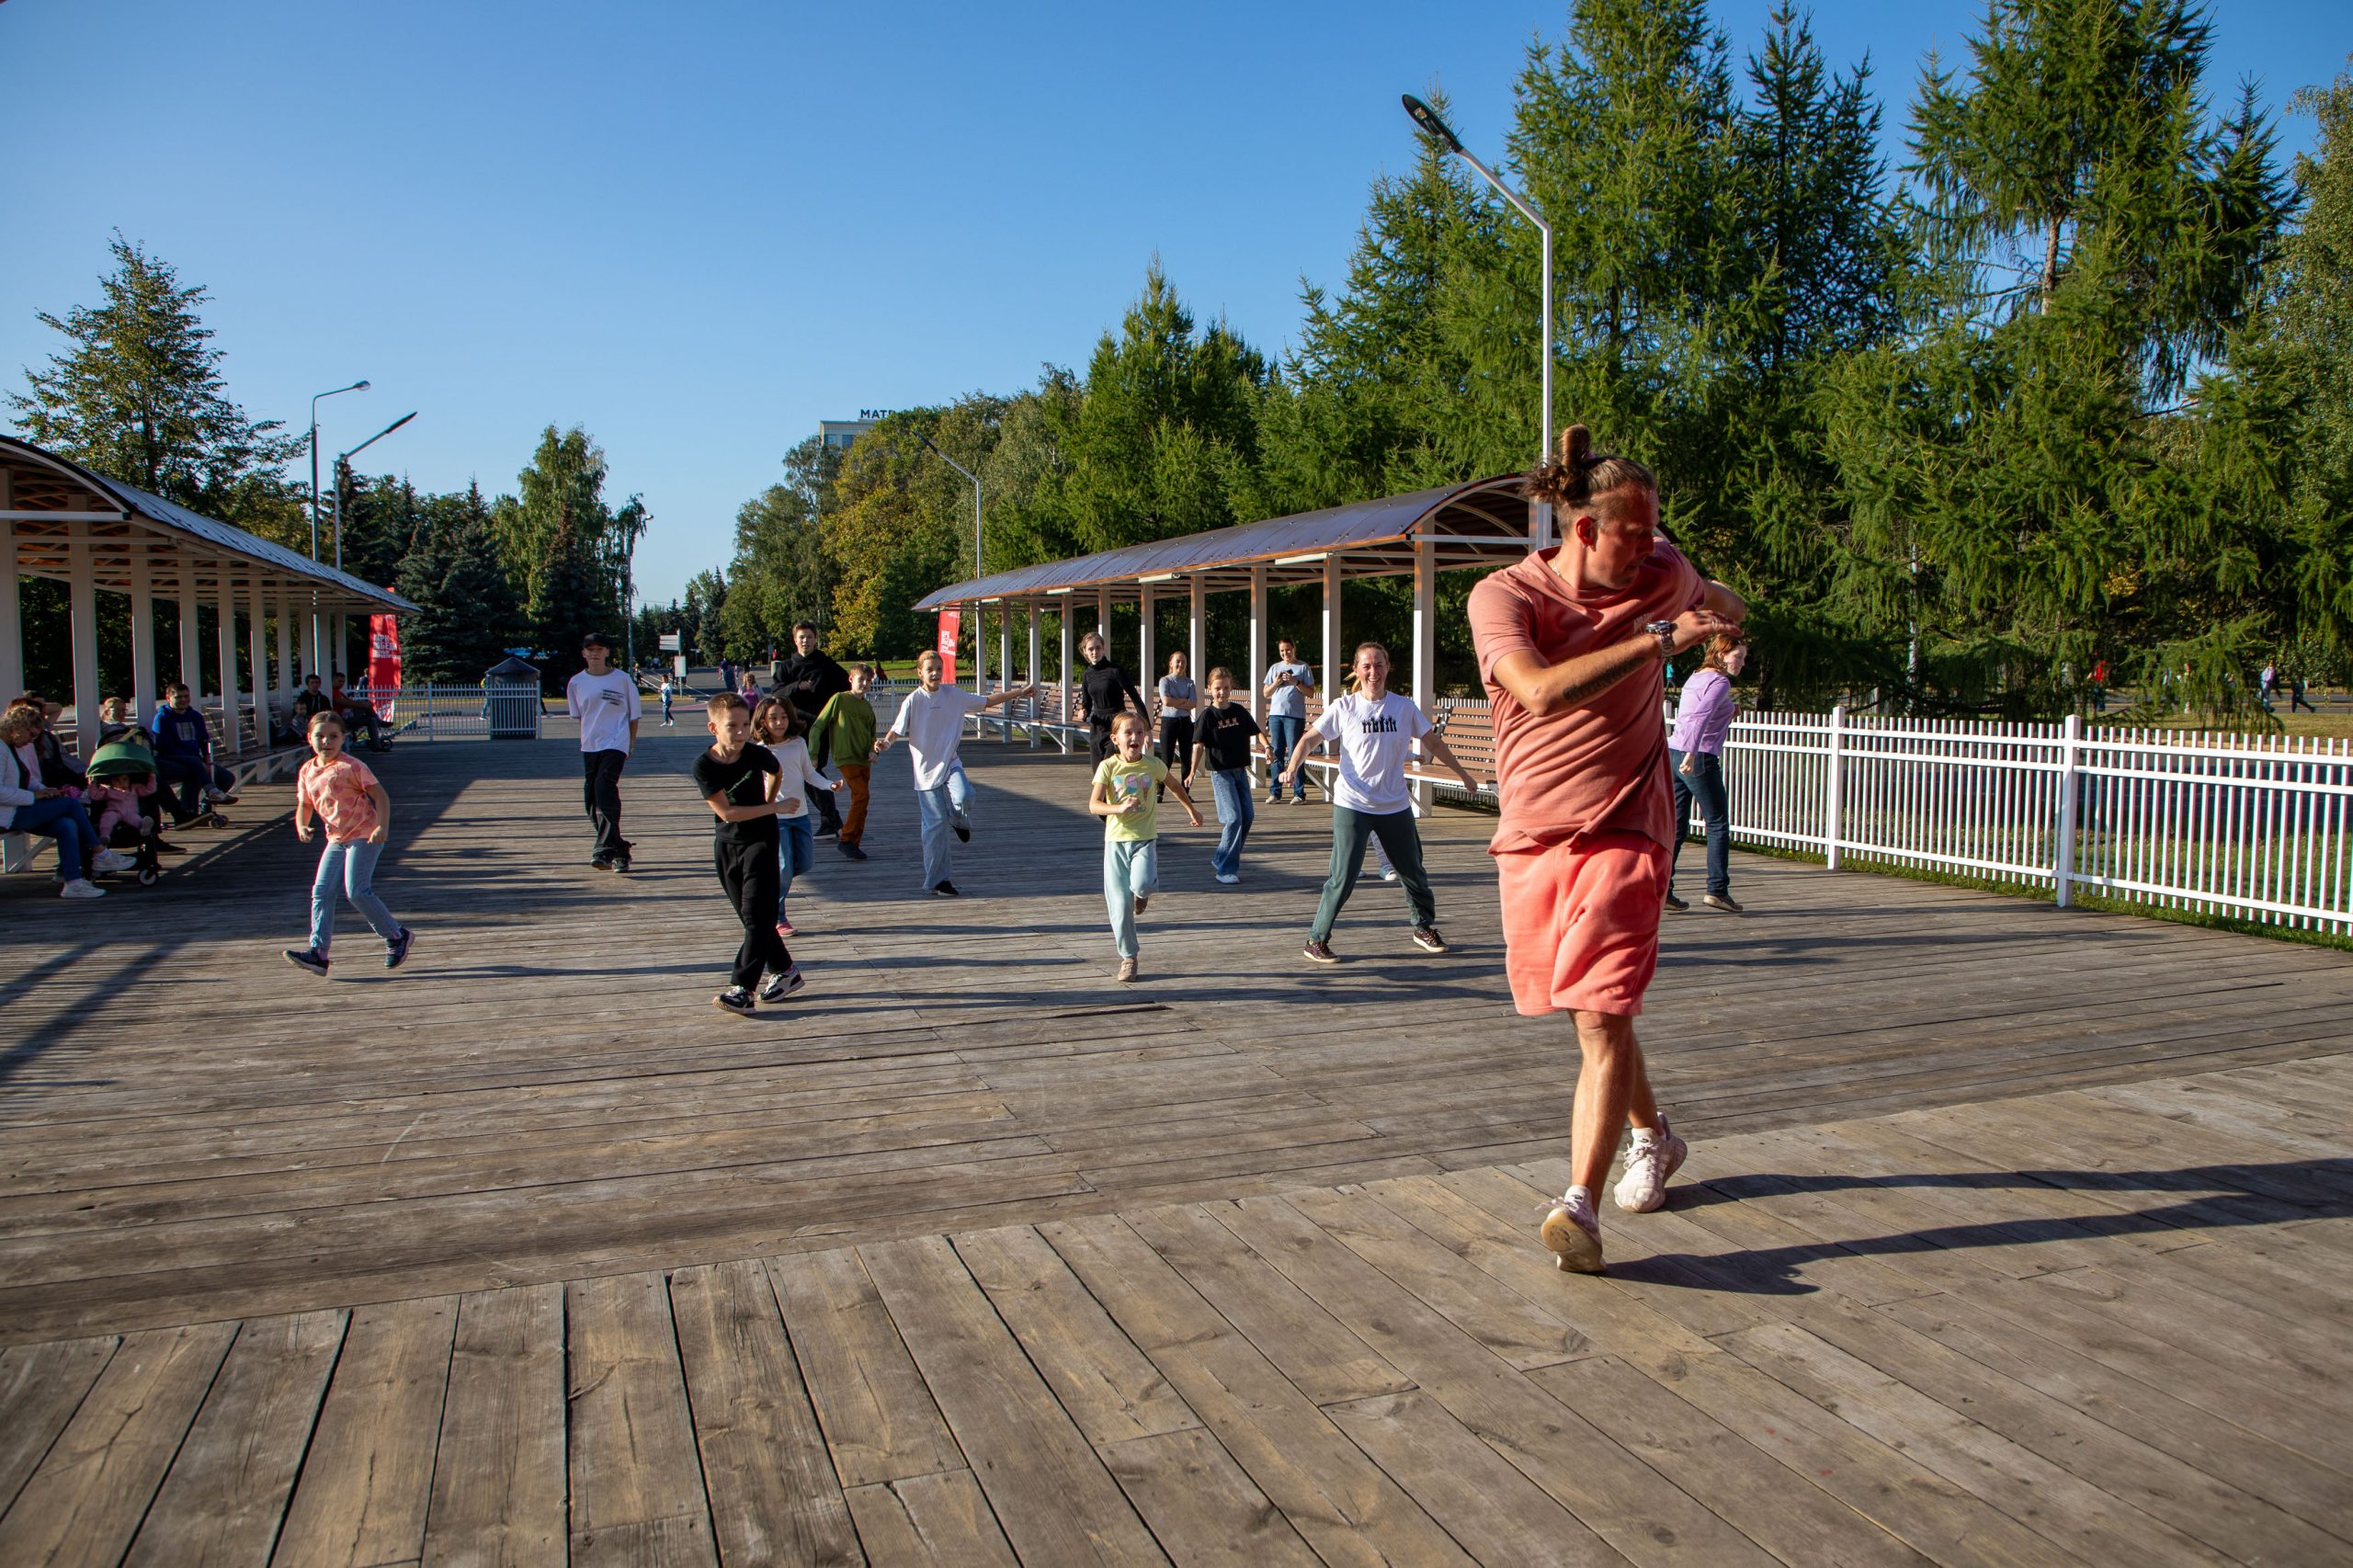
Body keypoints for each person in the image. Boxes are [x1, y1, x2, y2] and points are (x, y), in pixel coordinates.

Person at [1467, 422, 1745, 1275]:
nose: (1654, 546)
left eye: (1658, 529)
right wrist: (1665, 640)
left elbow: (1724, 603)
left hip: (1628, 822)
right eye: (1636, 530)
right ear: (1584, 530)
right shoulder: (1505, 596)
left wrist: (1722, 617)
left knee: (1599, 1012)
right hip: (1533, 832)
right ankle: (1656, 1137)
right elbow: (1540, 693)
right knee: (1597, 1018)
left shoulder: (1664, 572)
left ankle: (1577, 1206)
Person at [1282, 642, 1479, 963]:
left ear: (1388, 667)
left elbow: (1431, 741)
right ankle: (1316, 940)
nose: (1373, 672)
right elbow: (1309, 739)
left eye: (1379, 665)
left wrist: (1462, 774)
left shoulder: (1403, 707)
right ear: (1357, 671)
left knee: (1412, 868)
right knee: (1343, 874)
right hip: (1353, 803)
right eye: (1366, 666)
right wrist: (1292, 768)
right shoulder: (1344, 707)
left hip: (1394, 805)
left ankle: (1423, 927)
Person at [874, 652, 1035, 896]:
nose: (935, 673)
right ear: (920, 673)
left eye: (939, 669)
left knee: (964, 796)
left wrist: (1019, 692)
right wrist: (884, 745)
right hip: (925, 772)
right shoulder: (913, 700)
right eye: (930, 669)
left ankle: (959, 819)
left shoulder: (954, 695)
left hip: (950, 761)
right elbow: (895, 731)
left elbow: (988, 701)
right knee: (935, 827)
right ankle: (938, 880)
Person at [692, 691, 805, 1014]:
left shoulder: (756, 754)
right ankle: (786, 972)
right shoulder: (703, 766)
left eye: (745, 724)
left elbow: (776, 771)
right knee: (751, 918)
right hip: (728, 843)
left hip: (762, 841)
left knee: (758, 915)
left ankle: (742, 988)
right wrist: (773, 806)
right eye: (732, 726)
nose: (741, 732)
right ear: (714, 728)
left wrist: (769, 805)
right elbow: (727, 813)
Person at [282, 711, 415, 976]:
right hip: (336, 839)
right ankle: (318, 953)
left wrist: (382, 826)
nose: (326, 742)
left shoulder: (352, 766)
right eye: (320, 736)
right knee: (321, 891)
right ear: (309, 738)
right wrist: (302, 825)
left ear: (344, 738)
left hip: (365, 835)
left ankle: (396, 935)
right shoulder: (307, 770)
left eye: (333, 736)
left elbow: (381, 796)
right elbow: (305, 804)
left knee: (356, 891)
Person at [1092, 711, 1202, 982]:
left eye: (1139, 732)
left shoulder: (1153, 765)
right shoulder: (1108, 767)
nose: (1134, 737)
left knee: (1141, 885)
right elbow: (1094, 804)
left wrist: (1192, 810)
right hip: (1115, 842)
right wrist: (1118, 808)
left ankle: (1141, 893)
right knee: (1119, 905)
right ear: (1115, 739)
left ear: (1146, 738)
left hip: (1144, 838)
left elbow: (1175, 786)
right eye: (1128, 733)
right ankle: (1129, 957)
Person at [1, 702, 124, 897]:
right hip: (7, 812)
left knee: (66, 825)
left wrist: (45, 790)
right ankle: (100, 853)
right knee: (71, 805)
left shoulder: (14, 746)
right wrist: (33, 796)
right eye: (31, 734)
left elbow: (25, 778)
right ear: (18, 728)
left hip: (18, 809)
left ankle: (73, 882)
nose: (31, 740)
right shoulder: (1, 748)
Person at [1666, 632, 1746, 914]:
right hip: (1697, 756)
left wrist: (1731, 709)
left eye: (1744, 658)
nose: (1741, 663)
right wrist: (1691, 753)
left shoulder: (1698, 676)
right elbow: (1700, 716)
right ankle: (1717, 890)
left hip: (1674, 752)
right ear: (1722, 655)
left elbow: (1695, 712)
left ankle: (1664, 890)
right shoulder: (1720, 681)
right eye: (1738, 657)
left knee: (1676, 826)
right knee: (1717, 823)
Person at [753, 697, 841, 938]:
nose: (779, 722)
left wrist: (829, 784)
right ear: (762, 721)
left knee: (803, 863)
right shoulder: (759, 750)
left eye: (783, 717)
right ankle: (778, 916)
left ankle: (768, 889)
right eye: (773, 718)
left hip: (800, 815)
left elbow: (809, 774)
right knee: (783, 866)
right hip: (775, 818)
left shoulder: (798, 743)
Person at [566, 633, 642, 871]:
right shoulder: (576, 683)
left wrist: (630, 743)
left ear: (608, 652)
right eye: (591, 649)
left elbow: (634, 714)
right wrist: (588, 739)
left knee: (604, 786)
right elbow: (580, 717)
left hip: (616, 742)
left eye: (600, 649)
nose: (595, 653)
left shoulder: (622, 680)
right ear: (584, 654)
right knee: (591, 799)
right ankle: (619, 849)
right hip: (591, 745)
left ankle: (602, 850)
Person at [778, 621, 853, 840]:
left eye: (810, 637)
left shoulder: (824, 663)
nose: (806, 641)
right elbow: (776, 694)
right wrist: (797, 686)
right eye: (802, 637)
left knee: (812, 772)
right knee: (802, 775)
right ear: (795, 639)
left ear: (815, 639)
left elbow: (846, 683)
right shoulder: (787, 667)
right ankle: (832, 820)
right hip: (792, 729)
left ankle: (831, 820)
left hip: (818, 729)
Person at [1185, 666, 1259, 884]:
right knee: (1234, 818)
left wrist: (1268, 747)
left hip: (1240, 772)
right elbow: (1198, 746)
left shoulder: (1239, 711)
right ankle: (1225, 869)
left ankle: (1220, 856)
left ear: (1231, 688)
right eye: (1218, 688)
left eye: (1226, 688)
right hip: (1221, 773)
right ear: (1210, 689)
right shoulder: (1207, 716)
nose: (1222, 692)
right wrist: (1192, 772)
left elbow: (1256, 732)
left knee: (1248, 817)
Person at [811, 663, 879, 860]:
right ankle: (846, 839)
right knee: (862, 795)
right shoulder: (839, 699)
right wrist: (813, 754)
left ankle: (853, 844)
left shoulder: (866, 706)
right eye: (861, 680)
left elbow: (872, 735)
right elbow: (818, 726)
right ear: (851, 679)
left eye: (868, 681)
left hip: (863, 760)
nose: (864, 684)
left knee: (861, 800)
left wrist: (875, 751)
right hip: (846, 757)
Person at [151, 684, 238, 824]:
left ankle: (205, 809)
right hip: (171, 760)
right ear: (168, 698)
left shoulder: (195, 716)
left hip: (196, 760)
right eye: (179, 697)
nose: (184, 700)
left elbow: (204, 741)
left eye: (186, 696)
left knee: (226, 778)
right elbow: (163, 746)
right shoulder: (163, 718)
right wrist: (195, 761)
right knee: (194, 772)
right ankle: (190, 810)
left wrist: (208, 761)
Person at [1068, 632, 1146, 764]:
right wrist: (1083, 712)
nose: (1095, 652)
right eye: (1091, 649)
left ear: (1103, 649)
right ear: (1085, 652)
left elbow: (1135, 698)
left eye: (1098, 648)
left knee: (1110, 765)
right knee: (1098, 770)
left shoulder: (1115, 670)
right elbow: (1086, 703)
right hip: (1098, 725)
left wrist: (1147, 728)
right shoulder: (1087, 675)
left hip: (1117, 722)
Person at [1261, 639, 1317, 804]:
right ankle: (1275, 792)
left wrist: (1296, 682)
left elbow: (1311, 692)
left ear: (1294, 649)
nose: (1286, 653)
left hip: (1294, 716)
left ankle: (1299, 793)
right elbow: (1265, 693)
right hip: (1276, 715)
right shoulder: (1274, 668)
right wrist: (1277, 682)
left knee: (1295, 752)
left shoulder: (1303, 668)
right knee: (1276, 752)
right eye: (1282, 651)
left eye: (1288, 650)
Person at [1154, 652, 1197, 801]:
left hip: (1185, 723)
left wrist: (1177, 701)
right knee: (1166, 759)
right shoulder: (1165, 681)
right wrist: (1185, 701)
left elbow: (1194, 704)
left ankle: (1185, 792)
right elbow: (1166, 701)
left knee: (1186, 758)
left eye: (1184, 661)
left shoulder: (1190, 682)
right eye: (1178, 661)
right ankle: (1159, 791)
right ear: (1171, 663)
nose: (1181, 664)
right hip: (1169, 722)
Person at [328, 672, 386, 751]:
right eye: (339, 681)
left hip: (349, 716)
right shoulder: (333, 692)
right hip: (342, 718)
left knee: (371, 720)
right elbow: (346, 703)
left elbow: (349, 701)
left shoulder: (340, 692)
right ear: (333, 680)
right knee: (365, 707)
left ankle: (376, 745)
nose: (341, 684)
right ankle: (380, 722)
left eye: (343, 682)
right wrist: (365, 705)